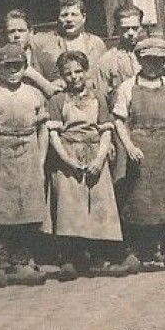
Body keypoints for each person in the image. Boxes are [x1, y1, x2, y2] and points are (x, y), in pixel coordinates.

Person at [112, 36, 165, 272]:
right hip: (141, 149)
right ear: (139, 60)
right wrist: (129, 147)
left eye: (159, 61)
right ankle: (140, 252)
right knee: (141, 202)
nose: (154, 65)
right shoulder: (127, 87)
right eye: (149, 60)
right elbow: (119, 121)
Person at [0, 45, 50, 288]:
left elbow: (43, 129)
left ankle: (22, 262)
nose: (13, 72)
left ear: (25, 67)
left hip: (28, 153)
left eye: (18, 67)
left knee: (27, 209)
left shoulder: (33, 94)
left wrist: (40, 160)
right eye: (7, 67)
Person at [43, 49, 121, 279]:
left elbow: (106, 131)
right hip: (68, 156)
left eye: (78, 72)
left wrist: (100, 159)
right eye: (68, 73)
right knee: (70, 208)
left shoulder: (98, 99)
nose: (74, 77)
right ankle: (69, 259)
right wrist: (67, 160)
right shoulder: (57, 100)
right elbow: (54, 135)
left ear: (86, 72)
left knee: (99, 206)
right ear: (62, 76)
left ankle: (98, 257)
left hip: (95, 152)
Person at [97, 3, 165, 104]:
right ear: (117, 28)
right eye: (125, 28)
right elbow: (102, 96)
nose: (130, 33)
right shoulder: (108, 60)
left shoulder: (155, 52)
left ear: (141, 28)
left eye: (134, 28)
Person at [32, 0, 107, 71]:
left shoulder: (96, 43)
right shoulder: (44, 42)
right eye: (64, 15)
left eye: (74, 15)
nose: (69, 19)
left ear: (83, 17)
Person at [3, 9, 61, 96]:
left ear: (31, 32)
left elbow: (58, 88)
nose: (17, 35)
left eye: (21, 30)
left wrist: (33, 75)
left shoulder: (43, 58)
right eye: (11, 31)